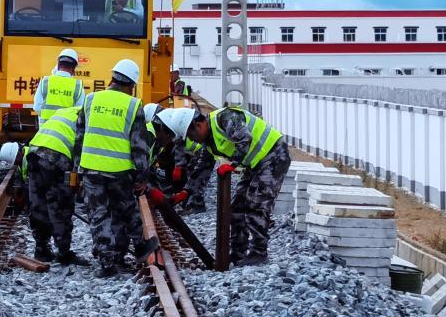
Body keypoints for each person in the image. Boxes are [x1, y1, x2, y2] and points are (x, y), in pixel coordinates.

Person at [159, 106, 291, 266]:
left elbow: (245, 139)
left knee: (257, 203)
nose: (191, 140)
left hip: (274, 154)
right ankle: (238, 253)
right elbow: (202, 167)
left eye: (191, 135)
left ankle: (258, 252)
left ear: (198, 124)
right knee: (237, 206)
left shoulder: (225, 118)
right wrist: (187, 191)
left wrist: (233, 164)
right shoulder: (208, 141)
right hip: (255, 163)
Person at [73, 58, 158, 278]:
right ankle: (140, 246)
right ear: (132, 84)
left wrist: (76, 169)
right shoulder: (133, 105)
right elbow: (139, 146)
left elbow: (79, 137)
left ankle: (107, 263)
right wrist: (142, 176)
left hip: (91, 168)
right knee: (128, 209)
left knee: (98, 216)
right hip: (119, 170)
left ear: (113, 78)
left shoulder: (90, 99)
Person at [25, 105, 89, 266]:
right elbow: (84, 152)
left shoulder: (66, 111)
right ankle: (63, 252)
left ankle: (41, 249)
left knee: (38, 203)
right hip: (57, 157)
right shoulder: (90, 120)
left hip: (34, 151)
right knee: (60, 206)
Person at [33, 48, 85, 127]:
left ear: (58, 65)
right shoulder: (78, 85)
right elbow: (79, 113)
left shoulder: (45, 81)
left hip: (45, 130)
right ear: (74, 68)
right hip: (65, 132)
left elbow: (37, 108)